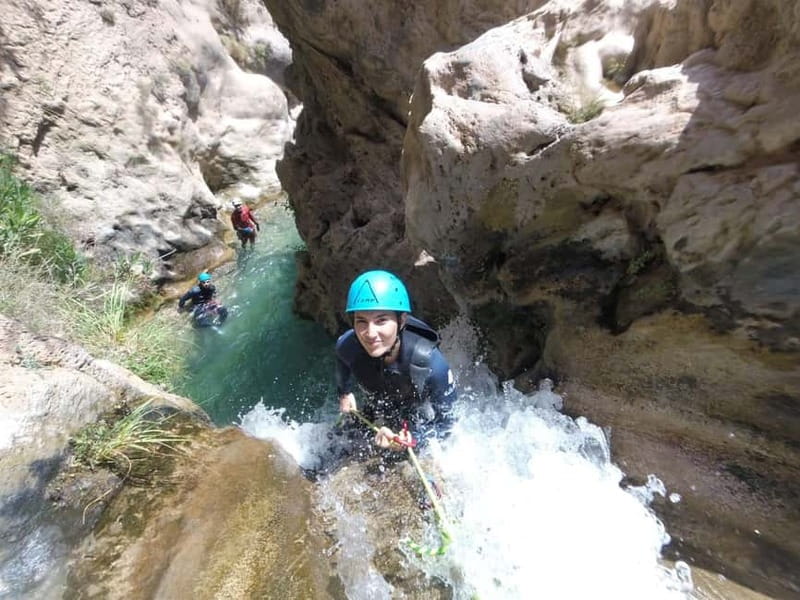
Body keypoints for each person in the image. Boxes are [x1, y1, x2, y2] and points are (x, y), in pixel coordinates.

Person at [336, 270, 457, 453]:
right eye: (361, 321)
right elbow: (341, 360)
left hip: (416, 411)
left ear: (401, 321)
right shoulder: (347, 345)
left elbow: (449, 424)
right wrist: (344, 393)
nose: (370, 333)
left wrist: (413, 440)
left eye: (381, 321)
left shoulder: (431, 365)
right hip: (379, 402)